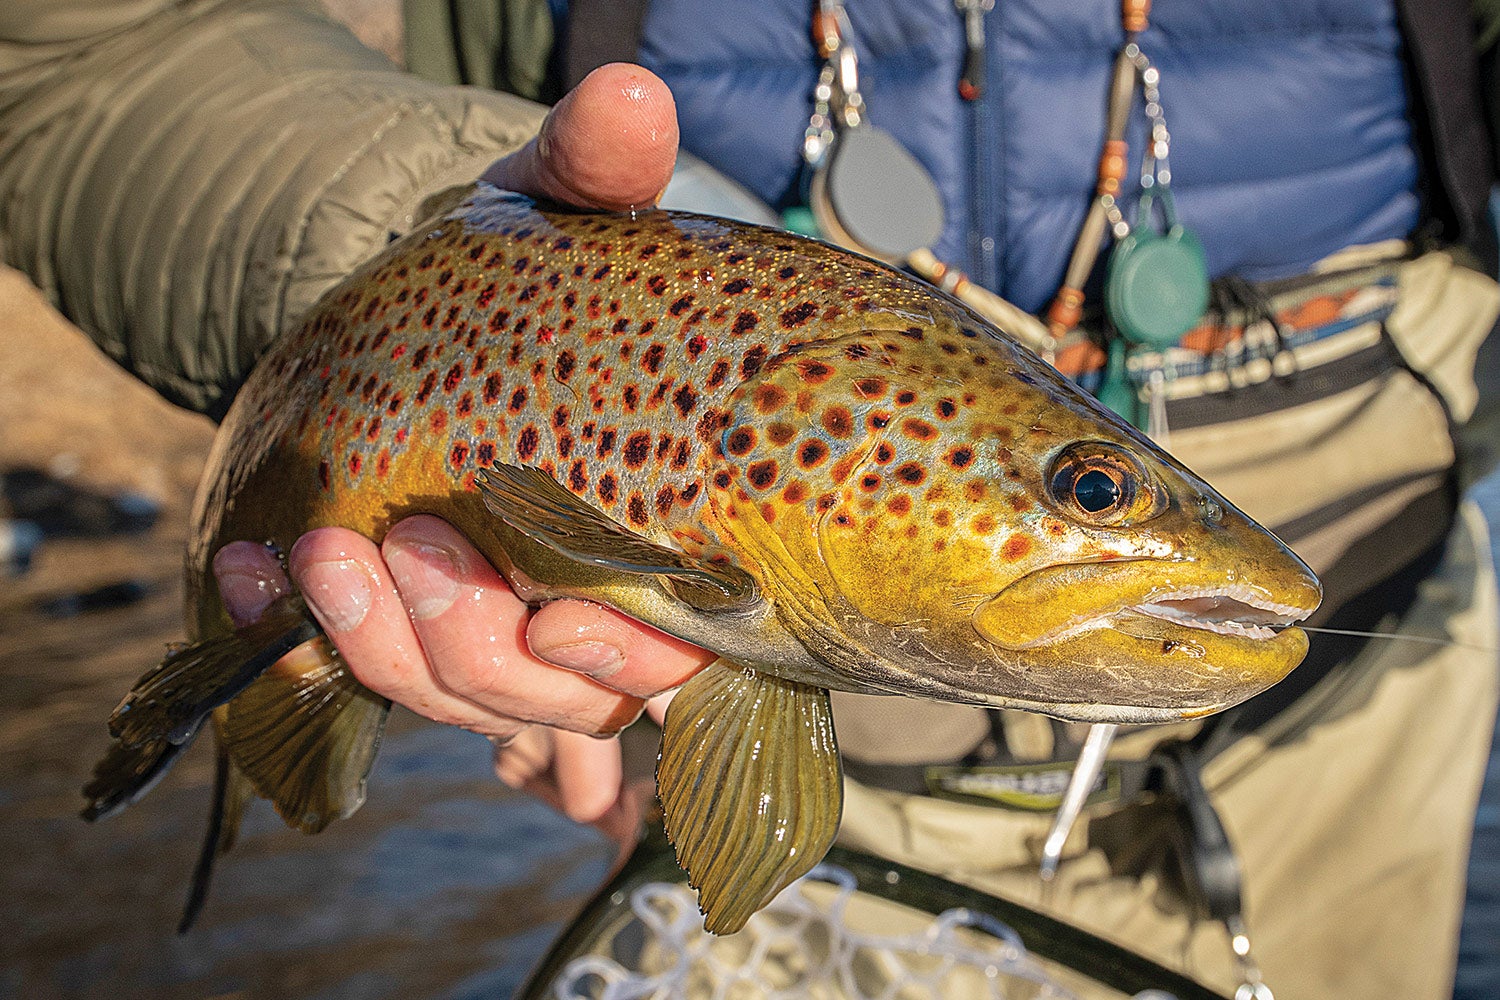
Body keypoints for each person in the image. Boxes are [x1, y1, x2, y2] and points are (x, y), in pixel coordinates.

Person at [2, 1, 1497, 997]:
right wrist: (417, 227)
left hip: (1389, 578)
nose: (1093, 501)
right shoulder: (767, 451)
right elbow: (83, 48)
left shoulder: (932, 467)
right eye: (1085, 491)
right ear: (804, 450)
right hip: (633, 471)